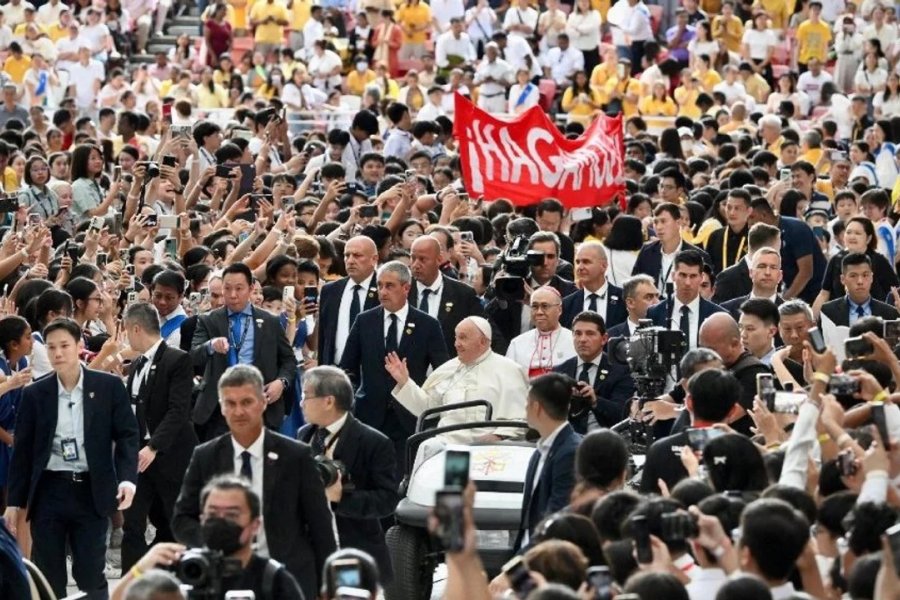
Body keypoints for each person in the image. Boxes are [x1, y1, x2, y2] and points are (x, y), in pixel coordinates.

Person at [172, 365, 337, 600]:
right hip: (224, 580)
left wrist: (328, 585)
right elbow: (182, 519)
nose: (238, 411)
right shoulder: (205, 456)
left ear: (263, 402)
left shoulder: (296, 456)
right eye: (230, 403)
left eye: (246, 402)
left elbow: (321, 525)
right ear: (221, 407)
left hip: (290, 583)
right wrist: (218, 542)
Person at [5, 317, 139, 599]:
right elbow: (23, 452)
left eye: (64, 345)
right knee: (48, 573)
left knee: (90, 572)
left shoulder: (107, 387)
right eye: (51, 347)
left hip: (91, 489)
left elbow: (127, 435)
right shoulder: (35, 393)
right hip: (49, 490)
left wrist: (127, 480)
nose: (57, 353)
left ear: (79, 345)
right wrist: (14, 504)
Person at [339, 261, 449, 475]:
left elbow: (442, 372)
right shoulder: (364, 321)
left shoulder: (427, 324)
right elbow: (347, 368)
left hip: (407, 417)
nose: (383, 291)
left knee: (401, 477)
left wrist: (425, 399)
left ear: (406, 288)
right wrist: (351, 400)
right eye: (379, 285)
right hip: (369, 415)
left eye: (390, 286)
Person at [297, 366, 399, 581]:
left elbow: (387, 501)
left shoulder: (374, 442)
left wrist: (341, 498)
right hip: (310, 553)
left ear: (328, 401)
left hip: (354, 552)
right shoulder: (304, 435)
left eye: (306, 396)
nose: (301, 403)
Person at [120, 303, 198, 573]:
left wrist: (153, 446)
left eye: (126, 330)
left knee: (174, 521)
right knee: (133, 523)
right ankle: (132, 581)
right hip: (140, 457)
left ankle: (182, 579)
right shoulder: (138, 362)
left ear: (136, 328)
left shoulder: (178, 359)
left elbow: (179, 411)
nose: (125, 337)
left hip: (170, 455)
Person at [189, 263, 297, 441]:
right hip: (219, 409)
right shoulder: (209, 320)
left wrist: (281, 382)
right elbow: (193, 356)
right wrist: (210, 345)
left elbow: (288, 360)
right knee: (220, 466)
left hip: (261, 405)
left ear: (251, 288)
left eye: (239, 288)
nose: (233, 295)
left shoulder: (269, 321)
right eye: (227, 288)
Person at [385, 316, 529, 443]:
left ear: (483, 342)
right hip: (448, 443)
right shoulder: (448, 369)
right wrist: (404, 382)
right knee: (427, 446)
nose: (456, 344)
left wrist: (499, 436)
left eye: (463, 337)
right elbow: (426, 408)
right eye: (456, 338)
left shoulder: (508, 370)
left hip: (489, 446)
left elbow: (519, 417)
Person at [640, 368, 739, 494]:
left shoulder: (659, 450)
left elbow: (646, 505)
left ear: (688, 403)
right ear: (733, 410)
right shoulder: (745, 451)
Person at [513, 373, 582, 552]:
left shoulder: (570, 452)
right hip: (531, 552)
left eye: (527, 403)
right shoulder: (540, 450)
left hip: (547, 558)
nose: (525, 409)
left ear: (536, 407)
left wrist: (515, 568)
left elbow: (556, 520)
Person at [553, 311, 635, 432]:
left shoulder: (621, 371)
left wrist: (595, 400)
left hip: (605, 441)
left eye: (590, 334)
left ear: (604, 339)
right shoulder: (560, 371)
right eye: (577, 334)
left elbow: (622, 414)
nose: (582, 339)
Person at [408, 235, 483, 356]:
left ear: (439, 259)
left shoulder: (462, 294)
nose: (416, 264)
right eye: (413, 258)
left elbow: (484, 331)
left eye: (422, 259)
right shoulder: (402, 290)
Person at [819, 253, 899, 358]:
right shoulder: (828, 311)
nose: (860, 281)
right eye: (853, 276)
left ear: (872, 277)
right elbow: (820, 348)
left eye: (865, 275)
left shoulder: (890, 313)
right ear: (843, 279)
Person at [318, 235, 380, 366]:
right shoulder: (330, 290)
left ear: (374, 259)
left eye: (357, 255)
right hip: (335, 373)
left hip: (371, 374)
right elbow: (324, 337)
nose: (350, 260)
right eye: (347, 255)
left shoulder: (385, 289)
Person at [648, 249, 726, 350]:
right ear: (673, 276)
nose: (687, 282)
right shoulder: (655, 313)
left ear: (701, 277)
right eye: (683, 275)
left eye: (693, 276)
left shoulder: (717, 315)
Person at [632, 202, 710, 292]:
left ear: (678, 223)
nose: (659, 227)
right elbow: (635, 284)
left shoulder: (699, 256)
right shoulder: (647, 251)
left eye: (663, 221)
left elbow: (706, 290)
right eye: (655, 222)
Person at [507, 286, 577, 376]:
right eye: (535, 307)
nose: (539, 312)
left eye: (545, 306)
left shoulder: (574, 340)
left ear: (559, 310)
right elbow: (508, 377)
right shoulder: (516, 343)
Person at [561, 242, 627, 330]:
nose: (580, 267)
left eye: (586, 262)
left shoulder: (624, 299)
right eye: (577, 262)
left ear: (603, 266)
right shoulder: (567, 304)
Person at [712, 223, 781, 305]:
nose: (779, 254)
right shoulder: (727, 278)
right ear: (765, 250)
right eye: (778, 250)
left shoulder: (775, 273)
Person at [720, 247, 785, 318]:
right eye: (762, 266)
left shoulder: (791, 313)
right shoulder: (727, 310)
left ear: (780, 275)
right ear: (751, 272)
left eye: (773, 267)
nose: (767, 272)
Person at [705, 188, 751, 274]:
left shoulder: (756, 238)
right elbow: (707, 269)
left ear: (749, 211)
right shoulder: (715, 236)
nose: (732, 212)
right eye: (729, 207)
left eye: (737, 208)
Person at [607, 274, 660, 338]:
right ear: (630, 303)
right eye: (648, 297)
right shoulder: (611, 335)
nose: (657, 302)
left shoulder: (669, 330)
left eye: (657, 296)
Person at [737, 298, 780, 365]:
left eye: (750, 329)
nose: (743, 335)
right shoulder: (730, 365)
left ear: (771, 332)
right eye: (740, 327)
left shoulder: (787, 367)